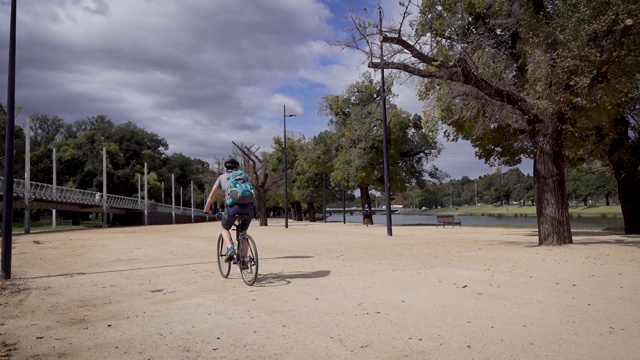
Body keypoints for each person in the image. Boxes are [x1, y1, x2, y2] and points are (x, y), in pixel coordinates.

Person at [204, 158, 255, 262]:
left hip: (233, 207)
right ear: (238, 167)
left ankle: (230, 248)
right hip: (249, 207)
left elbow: (211, 196)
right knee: (243, 232)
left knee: (225, 228)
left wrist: (206, 209)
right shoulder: (245, 176)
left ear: (226, 168)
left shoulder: (222, 178)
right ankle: (245, 258)